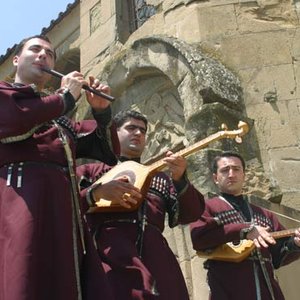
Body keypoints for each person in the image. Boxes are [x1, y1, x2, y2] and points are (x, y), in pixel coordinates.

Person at [0, 35, 119, 300]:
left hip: (63, 215)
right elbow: (14, 119)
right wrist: (65, 97)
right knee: (23, 276)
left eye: (50, 53)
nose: (43, 55)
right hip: (20, 205)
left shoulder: (57, 115)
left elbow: (105, 149)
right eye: (35, 50)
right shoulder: (6, 95)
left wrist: (101, 112)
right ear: (16, 60)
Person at [77, 109, 205, 300]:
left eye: (143, 131)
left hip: (157, 256)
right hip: (109, 254)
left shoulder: (160, 177)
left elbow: (190, 214)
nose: (138, 133)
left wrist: (179, 179)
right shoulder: (91, 171)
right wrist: (95, 193)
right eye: (131, 128)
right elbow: (64, 206)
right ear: (115, 133)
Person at [190, 151, 300, 300]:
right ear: (215, 178)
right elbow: (199, 238)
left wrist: (295, 243)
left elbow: (278, 255)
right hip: (229, 291)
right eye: (225, 170)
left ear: (244, 175)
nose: (231, 174)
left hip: (269, 292)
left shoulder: (265, 215)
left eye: (236, 169)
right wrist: (244, 230)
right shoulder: (207, 208)